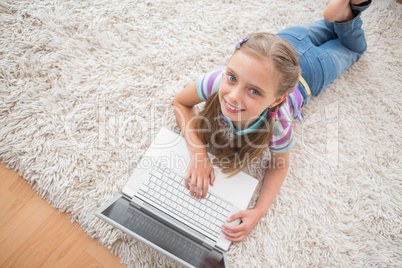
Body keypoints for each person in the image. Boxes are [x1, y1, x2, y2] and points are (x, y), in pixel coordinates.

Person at [173, 0, 371, 242]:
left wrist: (260, 210)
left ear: (277, 101)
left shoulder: (279, 123)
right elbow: (181, 102)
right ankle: (344, 13)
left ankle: (348, 13)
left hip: (313, 71)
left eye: (254, 92)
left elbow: (279, 166)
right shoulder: (218, 81)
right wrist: (198, 154)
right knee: (333, 26)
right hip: (282, 46)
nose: (233, 96)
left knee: (353, 49)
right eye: (232, 77)